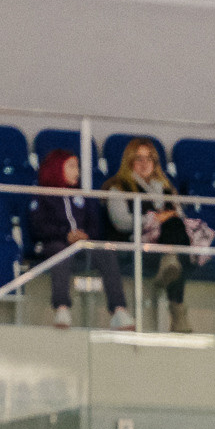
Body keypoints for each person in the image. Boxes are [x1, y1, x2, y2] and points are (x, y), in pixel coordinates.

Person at [27, 150, 127, 330]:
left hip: (83, 245)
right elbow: (39, 227)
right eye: (72, 166)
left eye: (77, 167)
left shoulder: (83, 196)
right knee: (59, 251)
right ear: (57, 168)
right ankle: (62, 308)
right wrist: (66, 234)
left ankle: (119, 310)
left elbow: (95, 225)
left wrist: (85, 235)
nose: (77, 171)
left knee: (106, 251)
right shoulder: (42, 195)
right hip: (54, 244)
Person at [107, 137, 197, 333]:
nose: (145, 163)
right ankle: (178, 312)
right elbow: (121, 222)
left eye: (150, 159)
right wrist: (154, 219)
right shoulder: (119, 187)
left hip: (166, 245)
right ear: (129, 161)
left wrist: (167, 217)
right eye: (139, 158)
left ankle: (169, 260)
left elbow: (179, 215)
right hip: (139, 245)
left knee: (175, 231)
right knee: (173, 236)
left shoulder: (165, 188)